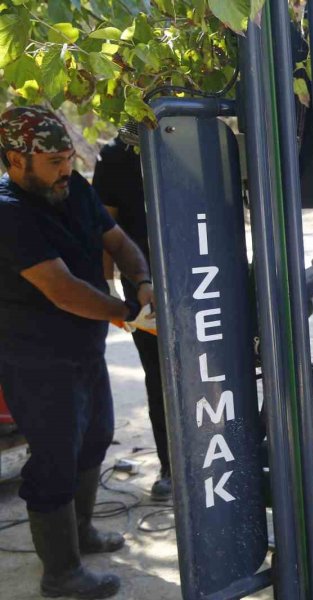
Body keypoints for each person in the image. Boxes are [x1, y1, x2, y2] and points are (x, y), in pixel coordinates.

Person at [0, 106, 155, 599]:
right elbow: (62, 289)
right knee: (54, 460)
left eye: (68, 157)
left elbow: (120, 242)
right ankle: (60, 573)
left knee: (95, 439)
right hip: (36, 359)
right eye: (53, 161)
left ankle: (81, 533)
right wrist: (128, 314)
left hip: (84, 349)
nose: (66, 168)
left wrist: (143, 282)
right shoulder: (9, 212)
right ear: (15, 160)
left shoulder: (76, 190)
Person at [92, 134, 171, 501]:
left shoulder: (195, 135)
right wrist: (107, 287)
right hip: (144, 288)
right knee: (159, 377)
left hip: (205, 274)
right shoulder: (116, 155)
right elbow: (106, 229)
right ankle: (172, 466)